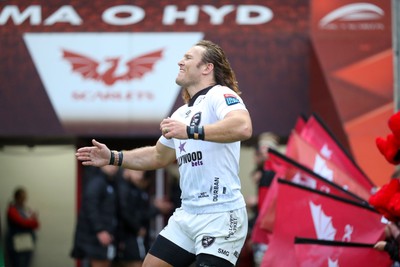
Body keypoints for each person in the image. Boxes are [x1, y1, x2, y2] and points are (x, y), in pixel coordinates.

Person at [75, 39, 253, 267]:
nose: (180, 61)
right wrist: (113, 157)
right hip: (187, 213)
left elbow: (242, 127)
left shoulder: (220, 95)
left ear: (207, 68)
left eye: (189, 58)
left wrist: (189, 131)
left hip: (221, 213)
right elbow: (158, 156)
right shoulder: (181, 113)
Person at [113, 169, 173, 267]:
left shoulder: (136, 189)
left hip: (135, 235)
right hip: (128, 236)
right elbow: (126, 212)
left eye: (142, 173)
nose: (140, 176)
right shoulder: (123, 189)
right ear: (127, 170)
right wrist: (138, 228)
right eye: (137, 172)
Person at [70, 165, 121, 267]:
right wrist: (100, 230)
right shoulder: (96, 182)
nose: (113, 167)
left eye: (115, 164)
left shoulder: (111, 182)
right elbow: (90, 207)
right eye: (110, 163)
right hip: (94, 237)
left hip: (106, 236)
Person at [6, 187, 40, 267]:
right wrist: (30, 221)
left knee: (25, 264)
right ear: (16, 197)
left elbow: (37, 224)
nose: (24, 199)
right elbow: (21, 222)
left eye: (25, 197)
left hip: (27, 242)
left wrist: (30, 222)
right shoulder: (12, 209)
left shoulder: (26, 209)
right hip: (16, 241)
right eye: (22, 197)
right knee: (17, 264)